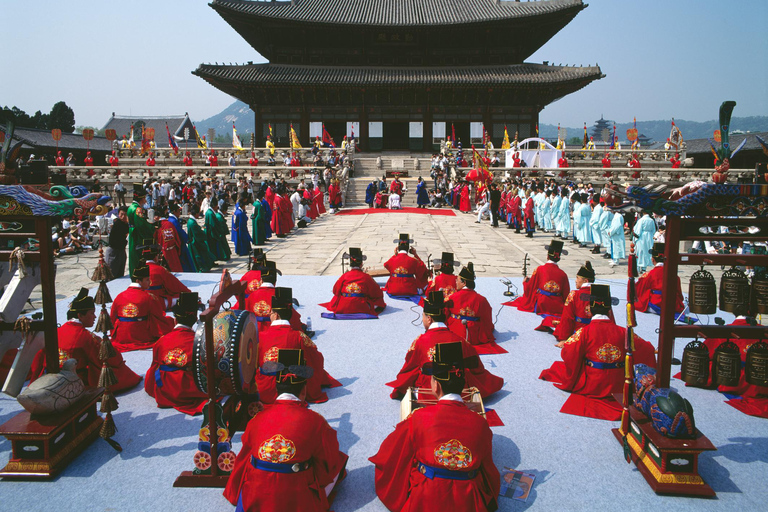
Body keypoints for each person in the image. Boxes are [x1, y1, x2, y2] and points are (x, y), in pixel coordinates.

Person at [370, 341, 500, 512]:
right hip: (468, 501)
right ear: (463, 384)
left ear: (436, 385)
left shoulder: (419, 418)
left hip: (426, 499)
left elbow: (392, 453)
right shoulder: (480, 423)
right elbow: (487, 468)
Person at [223, 348, 347, 511]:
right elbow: (328, 460)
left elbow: (244, 457)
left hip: (256, 495)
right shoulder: (316, 422)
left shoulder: (257, 419)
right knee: (338, 460)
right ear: (303, 391)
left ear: (276, 389)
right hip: (296, 499)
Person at [539, 285, 656, 420]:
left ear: (591, 310)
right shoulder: (624, 333)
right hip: (618, 385)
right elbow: (647, 350)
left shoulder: (583, 332)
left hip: (593, 384)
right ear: (609, 310)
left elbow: (568, 353)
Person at [388, 291, 503, 400]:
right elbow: (477, 366)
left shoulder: (420, 341)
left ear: (429, 319)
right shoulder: (461, 340)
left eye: (423, 316)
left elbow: (409, 368)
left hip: (430, 391)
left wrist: (400, 387)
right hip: (459, 391)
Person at [29, 288, 141, 392]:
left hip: (50, 377)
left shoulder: (56, 332)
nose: (95, 317)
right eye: (92, 313)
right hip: (74, 381)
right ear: (80, 316)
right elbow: (111, 358)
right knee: (116, 369)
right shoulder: (87, 337)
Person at [256, 296, 339, 404]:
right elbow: (316, 358)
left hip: (265, 390)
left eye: (271, 313)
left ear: (276, 316)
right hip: (292, 388)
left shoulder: (260, 336)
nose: (269, 316)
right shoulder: (299, 336)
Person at [144, 292, 208, 415]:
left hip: (166, 389)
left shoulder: (161, 340)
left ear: (175, 320)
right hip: (189, 390)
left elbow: (154, 367)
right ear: (195, 320)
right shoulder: (200, 342)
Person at [110, 262, 175, 352]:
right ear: (138, 281)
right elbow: (159, 318)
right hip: (141, 335)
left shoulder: (119, 296)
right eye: (147, 280)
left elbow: (112, 318)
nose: (150, 282)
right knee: (169, 321)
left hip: (121, 336)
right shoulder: (149, 297)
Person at [445, 262, 503, 354]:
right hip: (475, 335)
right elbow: (487, 319)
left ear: (464, 283)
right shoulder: (482, 300)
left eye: (458, 280)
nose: (455, 282)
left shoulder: (452, 297)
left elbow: (445, 313)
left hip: (455, 332)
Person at [507, 241, 570, 317]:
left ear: (547, 256)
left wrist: (525, 283)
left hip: (542, 304)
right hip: (556, 306)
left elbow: (531, 286)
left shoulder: (540, 269)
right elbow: (566, 294)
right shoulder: (563, 274)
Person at [319, 247, 386, 317]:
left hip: (344, 306)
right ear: (361, 264)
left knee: (337, 297)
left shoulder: (344, 276)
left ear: (350, 264)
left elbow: (335, 291)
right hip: (361, 306)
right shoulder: (366, 277)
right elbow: (377, 293)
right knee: (377, 300)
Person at [138, 239, 190, 311]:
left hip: (140, 302)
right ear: (155, 256)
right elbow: (175, 286)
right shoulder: (160, 270)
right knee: (185, 298)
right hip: (156, 302)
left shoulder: (138, 269)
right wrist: (188, 292)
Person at [634, 242, 685, 315]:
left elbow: (638, 290)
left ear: (652, 259)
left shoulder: (649, 274)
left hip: (656, 303)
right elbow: (679, 295)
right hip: (671, 305)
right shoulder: (674, 275)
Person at [127, 183, 156, 277]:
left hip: (132, 232)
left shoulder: (131, 207)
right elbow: (142, 225)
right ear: (142, 198)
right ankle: (139, 276)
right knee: (138, 256)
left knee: (133, 255)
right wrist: (152, 227)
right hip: (137, 235)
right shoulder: (137, 209)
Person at [167, 202, 197, 272]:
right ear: (174, 212)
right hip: (180, 244)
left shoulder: (171, 219)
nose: (179, 213)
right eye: (178, 211)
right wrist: (187, 239)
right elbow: (179, 232)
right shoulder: (173, 221)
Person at [154, 205, 184, 272]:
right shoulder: (170, 224)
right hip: (173, 252)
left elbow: (155, 240)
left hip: (162, 253)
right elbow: (177, 239)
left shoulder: (157, 226)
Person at [105, 206, 129, 279]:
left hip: (121, 251)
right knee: (111, 275)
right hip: (113, 252)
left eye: (125, 214)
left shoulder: (126, 224)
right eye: (121, 214)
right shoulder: (118, 223)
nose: (123, 216)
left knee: (120, 274)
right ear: (118, 214)